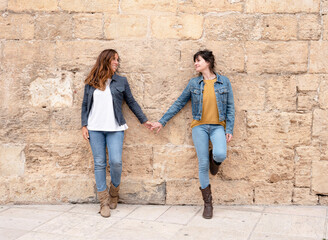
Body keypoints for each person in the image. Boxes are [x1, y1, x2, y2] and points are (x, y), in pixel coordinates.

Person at [151, 50, 235, 219]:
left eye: (199, 61)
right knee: (203, 164)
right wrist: (162, 121)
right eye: (195, 61)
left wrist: (229, 129)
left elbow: (230, 107)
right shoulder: (194, 84)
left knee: (220, 153)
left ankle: (215, 160)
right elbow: (179, 103)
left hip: (218, 126)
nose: (196, 64)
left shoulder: (224, 82)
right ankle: (208, 204)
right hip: (200, 127)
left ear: (208, 62)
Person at [81, 49, 152, 218]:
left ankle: (114, 191)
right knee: (99, 163)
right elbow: (85, 105)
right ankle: (104, 201)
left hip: (115, 128)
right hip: (95, 128)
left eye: (118, 60)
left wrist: (144, 120)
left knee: (116, 162)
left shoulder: (121, 81)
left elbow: (132, 102)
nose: (117, 63)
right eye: (114, 60)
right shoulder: (91, 82)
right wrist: (84, 125)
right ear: (105, 60)